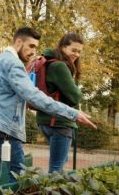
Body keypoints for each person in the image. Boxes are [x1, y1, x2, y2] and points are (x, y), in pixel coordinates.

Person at [0, 27, 96, 183]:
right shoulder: (14, 64)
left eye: (36, 47)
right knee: (18, 177)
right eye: (31, 46)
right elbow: (35, 96)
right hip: (6, 129)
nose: (33, 51)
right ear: (19, 42)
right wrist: (72, 113)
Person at [36, 33, 91, 173]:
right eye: (73, 50)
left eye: (79, 52)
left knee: (61, 160)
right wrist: (76, 89)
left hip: (46, 120)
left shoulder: (50, 62)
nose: (77, 54)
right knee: (56, 169)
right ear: (62, 47)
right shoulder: (60, 66)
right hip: (60, 122)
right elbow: (75, 97)